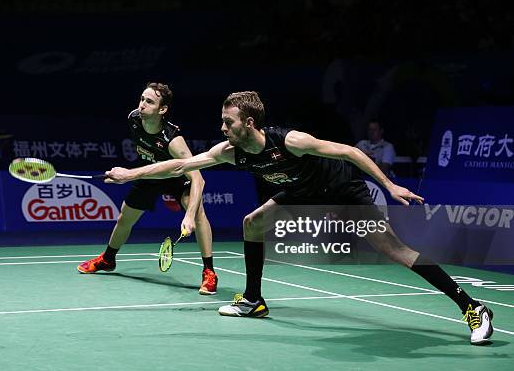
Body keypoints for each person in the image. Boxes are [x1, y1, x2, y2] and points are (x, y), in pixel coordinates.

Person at [104, 91, 494, 345]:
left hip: (340, 190)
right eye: (222, 122)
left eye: (229, 122)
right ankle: (254, 299)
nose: (222, 128)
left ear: (249, 123)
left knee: (393, 248)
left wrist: (390, 187)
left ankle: (471, 307)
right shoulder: (229, 150)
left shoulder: (290, 141)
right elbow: (180, 165)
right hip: (301, 191)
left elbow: (349, 153)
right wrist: (130, 173)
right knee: (252, 222)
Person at [77, 82, 218, 295]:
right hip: (151, 175)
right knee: (125, 217)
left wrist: (188, 216)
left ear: (162, 110)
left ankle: (209, 272)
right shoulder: (134, 119)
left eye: (149, 102)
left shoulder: (173, 140)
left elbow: (198, 179)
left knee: (198, 213)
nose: (142, 105)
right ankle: (108, 259)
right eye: (142, 99)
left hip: (177, 178)